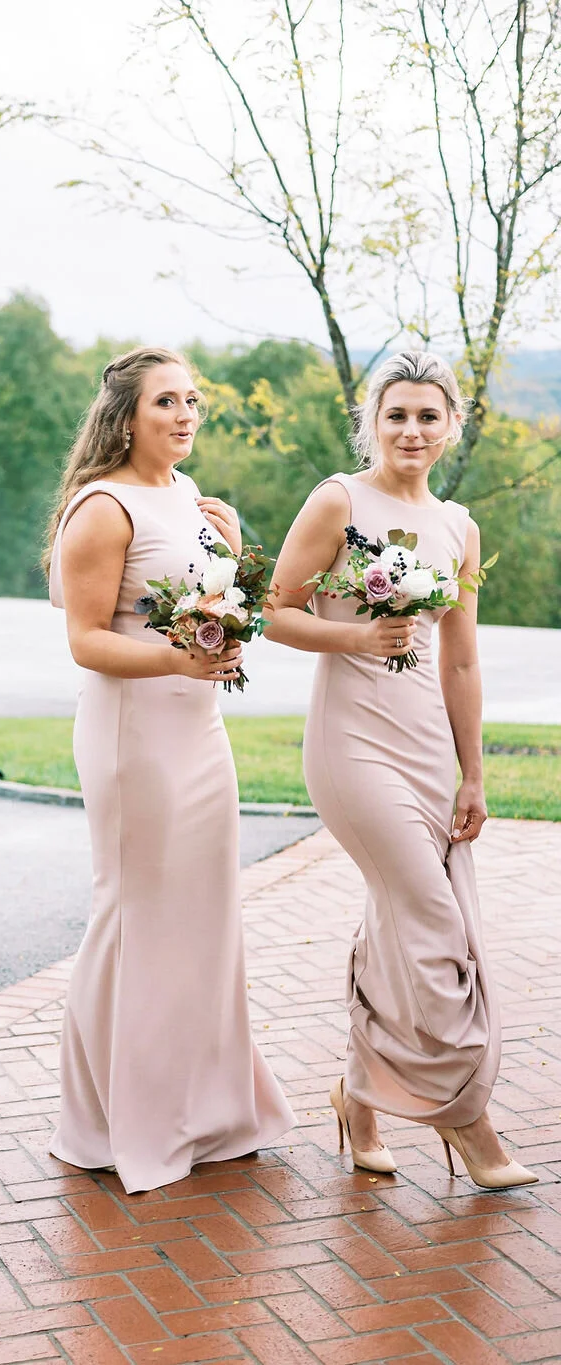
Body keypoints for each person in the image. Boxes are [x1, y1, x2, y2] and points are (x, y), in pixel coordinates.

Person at [265, 350, 535, 1189]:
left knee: (397, 919)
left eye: (428, 416)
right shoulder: (339, 501)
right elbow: (274, 608)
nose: (411, 430)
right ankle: (470, 1123)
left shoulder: (459, 525)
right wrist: (355, 635)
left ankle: (360, 1097)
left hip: (427, 744)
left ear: (452, 425)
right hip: (352, 743)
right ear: (371, 422)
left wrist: (474, 774)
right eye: (396, 415)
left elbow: (460, 663)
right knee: (433, 927)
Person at [46, 346, 295, 1194]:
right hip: (134, 735)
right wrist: (179, 662)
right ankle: (109, 1118)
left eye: (192, 399)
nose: (185, 414)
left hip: (200, 730)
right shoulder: (104, 507)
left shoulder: (191, 497)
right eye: (166, 402)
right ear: (126, 416)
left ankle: (209, 1109)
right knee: (135, 913)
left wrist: (236, 553)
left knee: (203, 915)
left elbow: (232, 617)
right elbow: (86, 641)